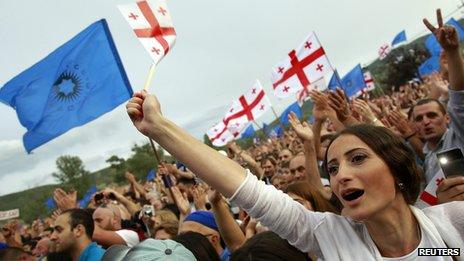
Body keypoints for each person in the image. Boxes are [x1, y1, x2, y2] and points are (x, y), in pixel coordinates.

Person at [126, 9, 463, 259]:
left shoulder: (453, 222)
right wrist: (160, 128)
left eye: (357, 159)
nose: (341, 175)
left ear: (397, 168)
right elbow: (248, 190)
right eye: (332, 169)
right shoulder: (330, 237)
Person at [411, 10, 464, 199]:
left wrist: (452, 51)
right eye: (419, 118)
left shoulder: (459, 136)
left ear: (447, 118)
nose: (425, 121)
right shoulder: (429, 159)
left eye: (432, 115)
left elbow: (459, 97)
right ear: (413, 127)